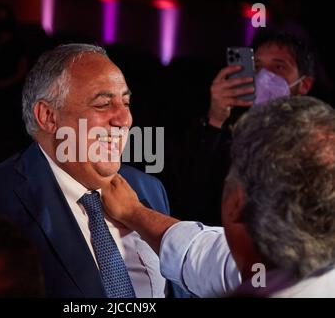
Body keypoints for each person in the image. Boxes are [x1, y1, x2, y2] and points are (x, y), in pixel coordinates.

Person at [0, 44, 197, 298]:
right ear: (48, 116)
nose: (124, 119)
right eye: (102, 104)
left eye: (126, 102)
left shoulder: (149, 189)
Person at [102, 96, 335, 297]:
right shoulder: (262, 271)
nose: (123, 119)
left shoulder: (256, 276)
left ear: (236, 203)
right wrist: (134, 212)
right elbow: (199, 252)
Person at [175, 29, 316, 225]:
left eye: (278, 67)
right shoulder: (229, 131)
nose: (264, 75)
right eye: (256, 66)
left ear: (305, 85)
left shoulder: (317, 142)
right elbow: (191, 194)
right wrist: (215, 119)